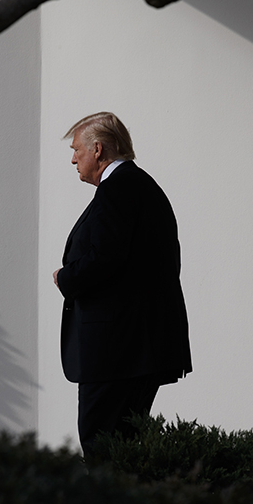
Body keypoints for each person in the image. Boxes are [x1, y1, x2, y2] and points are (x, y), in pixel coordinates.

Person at [52, 112, 192, 459]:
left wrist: (65, 277)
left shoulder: (120, 189)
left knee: (103, 447)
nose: (73, 158)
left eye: (77, 150)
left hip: (118, 353)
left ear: (98, 150)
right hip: (134, 350)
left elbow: (105, 259)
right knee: (123, 450)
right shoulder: (137, 187)